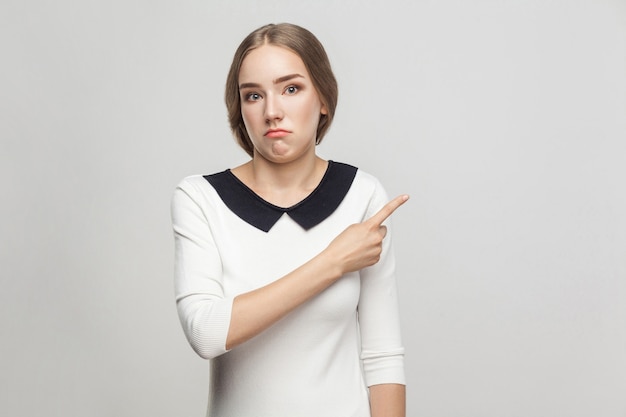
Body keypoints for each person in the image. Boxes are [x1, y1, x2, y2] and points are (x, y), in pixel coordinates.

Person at [171, 22, 408, 417]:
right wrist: (332, 262)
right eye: (253, 96)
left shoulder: (362, 195)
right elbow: (206, 332)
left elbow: (383, 354)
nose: (272, 111)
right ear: (240, 108)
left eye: (291, 89)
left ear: (324, 99)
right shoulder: (201, 198)